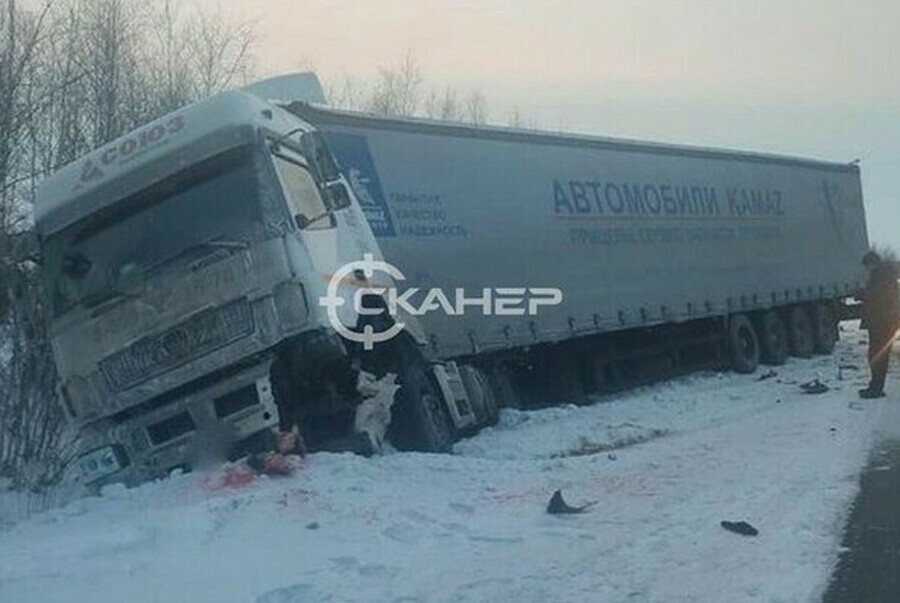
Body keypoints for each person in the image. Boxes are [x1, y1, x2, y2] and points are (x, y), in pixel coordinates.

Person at [859, 251, 900, 398]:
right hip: (882, 323)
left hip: (882, 324)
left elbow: (880, 301)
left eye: (867, 265)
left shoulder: (882, 278)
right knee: (876, 356)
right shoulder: (882, 276)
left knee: (877, 357)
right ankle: (875, 386)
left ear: (872, 263)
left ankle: (876, 388)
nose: (867, 269)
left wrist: (864, 295)